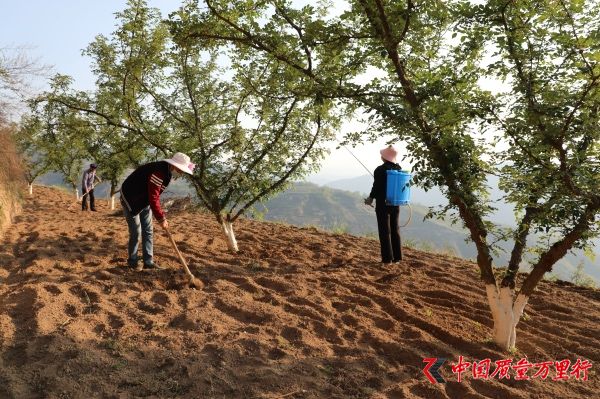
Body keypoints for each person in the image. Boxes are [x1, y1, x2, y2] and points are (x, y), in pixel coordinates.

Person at [120, 152, 195, 271]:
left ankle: (148, 262)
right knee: (136, 231)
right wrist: (161, 218)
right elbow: (154, 197)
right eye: (181, 170)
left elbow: (153, 196)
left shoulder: (167, 171)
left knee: (148, 230)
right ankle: (132, 261)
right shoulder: (159, 172)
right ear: (175, 165)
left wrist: (160, 216)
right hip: (130, 198)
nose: (181, 173)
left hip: (144, 199)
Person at [364, 145, 403, 264]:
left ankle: (387, 259)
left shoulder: (380, 170)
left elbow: (376, 187)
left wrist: (370, 198)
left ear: (384, 157)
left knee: (384, 231)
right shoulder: (399, 168)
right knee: (395, 230)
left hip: (383, 204)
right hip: (395, 203)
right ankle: (397, 258)